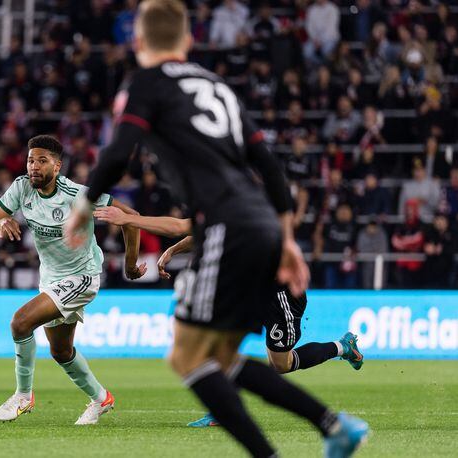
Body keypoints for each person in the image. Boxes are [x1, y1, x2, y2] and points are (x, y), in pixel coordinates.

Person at [63, 2, 368, 456]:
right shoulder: (217, 87)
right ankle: (331, 425)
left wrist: (84, 206)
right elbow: (267, 163)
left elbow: (118, 151)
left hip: (230, 229)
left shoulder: (145, 83)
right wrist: (284, 238)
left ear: (138, 42)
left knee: (191, 356)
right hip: (256, 224)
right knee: (216, 356)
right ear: (188, 42)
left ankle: (303, 437)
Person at [93, 206, 365, 428]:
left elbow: (179, 226)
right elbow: (200, 231)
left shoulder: (242, 205)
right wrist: (173, 250)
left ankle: (343, 347)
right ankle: (222, 411)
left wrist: (128, 218)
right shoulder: (226, 201)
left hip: (280, 295)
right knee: (216, 344)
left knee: (281, 364)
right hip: (248, 289)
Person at [0, 135, 144, 425]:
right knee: (61, 350)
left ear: (57, 167)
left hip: (82, 276)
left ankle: (23, 396)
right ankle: (101, 398)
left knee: (20, 322)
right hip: (51, 279)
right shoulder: (21, 188)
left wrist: (130, 264)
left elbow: (130, 217)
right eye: (31, 160)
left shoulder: (78, 196)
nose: (33, 166)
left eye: (42, 161)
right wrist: (0, 223)